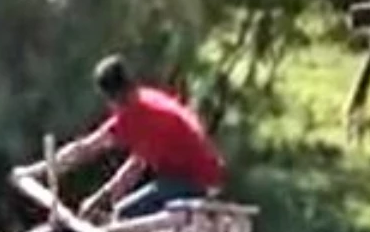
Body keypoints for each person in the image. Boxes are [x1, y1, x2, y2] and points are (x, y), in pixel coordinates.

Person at [12, 54, 226, 221]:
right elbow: (135, 166)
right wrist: (99, 200)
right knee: (123, 211)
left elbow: (84, 150)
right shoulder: (147, 101)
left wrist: (35, 171)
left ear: (113, 97)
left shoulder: (135, 114)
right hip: (201, 179)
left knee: (125, 215)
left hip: (195, 183)